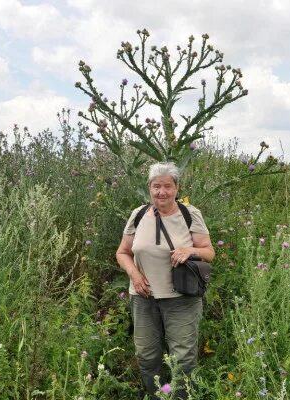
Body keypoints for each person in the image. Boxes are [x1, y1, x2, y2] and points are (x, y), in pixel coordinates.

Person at [116, 162, 215, 399]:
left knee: (183, 358)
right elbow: (122, 252)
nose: (162, 192)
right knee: (147, 356)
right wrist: (135, 275)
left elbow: (209, 252)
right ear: (149, 188)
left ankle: (181, 396)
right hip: (143, 297)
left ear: (176, 188)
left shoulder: (190, 214)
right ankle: (155, 395)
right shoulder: (138, 215)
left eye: (167, 186)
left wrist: (189, 251)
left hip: (182, 298)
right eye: (156, 186)